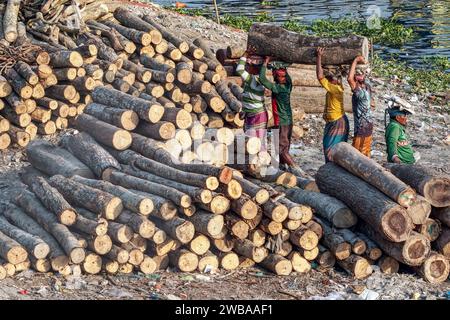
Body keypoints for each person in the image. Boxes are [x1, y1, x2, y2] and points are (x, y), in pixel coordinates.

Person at [259, 57, 302, 174]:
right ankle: (281, 167)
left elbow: (262, 79)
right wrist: (283, 66)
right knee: (284, 145)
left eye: (282, 76)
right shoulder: (288, 86)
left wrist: (265, 63)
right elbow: (288, 77)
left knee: (282, 149)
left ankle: (296, 169)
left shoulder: (278, 88)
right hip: (288, 121)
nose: (282, 78)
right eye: (281, 76)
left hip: (281, 121)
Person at [316, 47, 349, 162]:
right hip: (335, 121)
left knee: (330, 150)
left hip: (337, 121)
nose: (328, 79)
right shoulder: (338, 86)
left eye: (329, 78)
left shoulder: (335, 89)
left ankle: (332, 172)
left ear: (334, 80)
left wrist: (319, 57)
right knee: (332, 149)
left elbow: (319, 76)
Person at [236, 47, 267, 144]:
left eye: (249, 66)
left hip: (257, 115)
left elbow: (239, 70)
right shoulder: (259, 79)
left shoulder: (252, 79)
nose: (247, 68)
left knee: (254, 143)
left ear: (255, 68)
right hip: (253, 113)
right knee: (252, 143)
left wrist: (245, 54)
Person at [347, 55, 374, 157]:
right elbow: (350, 78)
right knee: (364, 152)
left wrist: (355, 60)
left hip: (363, 127)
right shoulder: (365, 88)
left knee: (358, 154)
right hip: (367, 125)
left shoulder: (361, 91)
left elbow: (350, 78)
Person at [385, 96, 416, 164]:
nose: (406, 119)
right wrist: (395, 158)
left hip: (407, 163)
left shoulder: (397, 126)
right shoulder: (394, 126)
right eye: (404, 116)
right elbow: (392, 142)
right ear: (398, 117)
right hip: (402, 163)